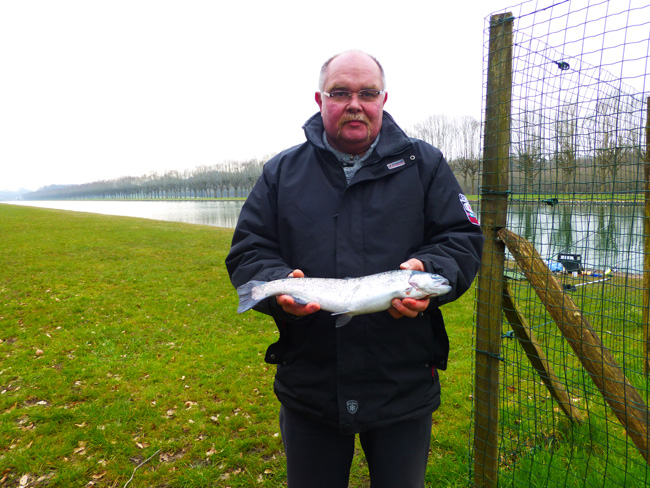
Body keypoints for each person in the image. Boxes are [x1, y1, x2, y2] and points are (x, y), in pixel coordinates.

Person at [225, 50, 484, 488]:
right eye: (340, 92)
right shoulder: (281, 171)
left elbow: (460, 238)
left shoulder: (426, 165)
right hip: (311, 382)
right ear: (319, 99)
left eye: (367, 93)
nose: (354, 103)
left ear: (384, 99)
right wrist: (282, 295)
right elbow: (250, 248)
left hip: (401, 381)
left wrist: (432, 267)